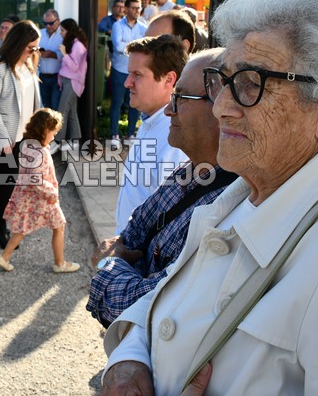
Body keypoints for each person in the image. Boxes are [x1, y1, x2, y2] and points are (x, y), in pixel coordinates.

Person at [101, 0, 318, 395]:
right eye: (221, 80)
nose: (221, 106)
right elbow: (171, 302)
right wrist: (129, 359)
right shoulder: (240, 196)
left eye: (251, 83)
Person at [87, 49, 238, 327]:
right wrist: (123, 266)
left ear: (223, 109)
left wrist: (107, 266)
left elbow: (144, 309)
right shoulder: (191, 170)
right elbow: (133, 231)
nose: (169, 109)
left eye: (181, 98)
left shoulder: (229, 206)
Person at [0, 20, 42, 249]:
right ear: (18, 43)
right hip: (0, 137)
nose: (34, 51)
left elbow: (32, 102)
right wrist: (3, 139)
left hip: (21, 136)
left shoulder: (27, 64)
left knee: (12, 183)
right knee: (7, 181)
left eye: (36, 47)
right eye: (30, 47)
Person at [114, 34, 187, 235]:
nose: (127, 83)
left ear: (169, 79)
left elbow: (168, 220)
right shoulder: (151, 122)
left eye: (137, 74)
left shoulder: (175, 139)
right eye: (129, 73)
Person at [0, 108, 80, 273]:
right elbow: (36, 178)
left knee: (22, 229)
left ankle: (4, 257)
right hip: (43, 198)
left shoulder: (27, 146)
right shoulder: (40, 152)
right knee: (59, 225)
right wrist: (51, 192)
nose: (54, 137)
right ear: (45, 131)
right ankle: (60, 264)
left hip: (27, 197)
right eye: (53, 133)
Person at [110, 0, 146, 142]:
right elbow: (117, 46)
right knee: (117, 104)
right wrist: (138, 46)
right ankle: (114, 134)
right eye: (134, 8)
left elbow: (146, 48)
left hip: (137, 71)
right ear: (126, 9)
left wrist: (128, 45)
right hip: (119, 69)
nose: (137, 10)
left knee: (135, 103)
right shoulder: (118, 25)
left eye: (139, 8)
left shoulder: (143, 27)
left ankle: (131, 133)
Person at [54, 18, 88, 150]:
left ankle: (57, 141)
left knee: (62, 111)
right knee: (72, 112)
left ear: (69, 31)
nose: (61, 33)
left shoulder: (78, 45)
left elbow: (75, 67)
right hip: (69, 81)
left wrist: (64, 54)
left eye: (62, 30)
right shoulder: (73, 44)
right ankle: (75, 141)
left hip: (73, 82)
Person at [38, 9, 63, 109]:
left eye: (51, 23)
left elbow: (69, 54)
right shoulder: (40, 33)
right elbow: (32, 48)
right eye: (45, 23)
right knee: (46, 107)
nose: (48, 26)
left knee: (55, 106)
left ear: (58, 21)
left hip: (57, 77)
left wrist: (53, 55)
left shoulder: (63, 34)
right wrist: (38, 52)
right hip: (42, 77)